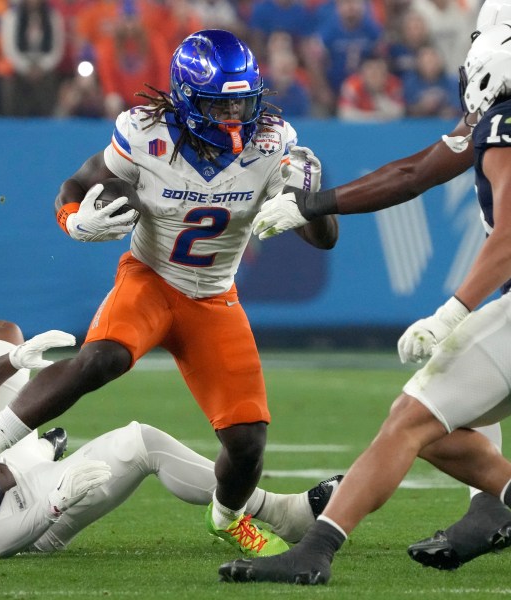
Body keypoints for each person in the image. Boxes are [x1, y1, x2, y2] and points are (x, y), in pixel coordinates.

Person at [0, 29, 339, 559]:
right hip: (151, 279)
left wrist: (311, 196)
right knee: (100, 358)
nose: (237, 116)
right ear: (190, 101)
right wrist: (75, 222)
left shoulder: (272, 142)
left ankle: (228, 517)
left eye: (244, 101)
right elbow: (74, 187)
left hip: (214, 297)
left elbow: (323, 239)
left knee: (247, 442)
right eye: (223, 104)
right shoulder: (147, 133)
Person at [217, 21, 511, 585]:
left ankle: (317, 549)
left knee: (409, 421)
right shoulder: (486, 125)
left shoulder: (501, 119)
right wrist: (315, 204)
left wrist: (453, 310)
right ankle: (494, 503)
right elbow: (411, 173)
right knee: (437, 426)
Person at [0, 318, 343, 558]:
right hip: (16, 512)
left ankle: (40, 450)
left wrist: (11, 361)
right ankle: (280, 510)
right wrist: (52, 504)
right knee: (141, 442)